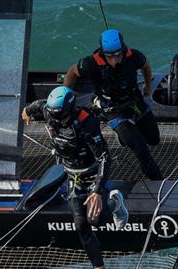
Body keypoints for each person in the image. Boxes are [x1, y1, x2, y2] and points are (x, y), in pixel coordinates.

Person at [23, 86, 129, 269]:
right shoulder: (48, 112)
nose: (56, 120)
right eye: (53, 115)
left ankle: (113, 204)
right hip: (72, 175)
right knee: (81, 225)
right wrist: (26, 112)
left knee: (96, 220)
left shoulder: (85, 123)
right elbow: (36, 106)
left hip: (91, 174)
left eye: (60, 116)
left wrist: (98, 191)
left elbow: (105, 157)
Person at [63, 29, 163, 180]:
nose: (114, 60)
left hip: (134, 101)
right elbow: (72, 72)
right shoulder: (91, 63)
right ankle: (159, 184)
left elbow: (146, 66)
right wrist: (67, 96)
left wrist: (148, 85)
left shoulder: (134, 56)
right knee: (141, 150)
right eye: (109, 57)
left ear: (123, 49)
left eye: (117, 55)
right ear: (103, 53)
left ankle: (123, 137)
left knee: (154, 139)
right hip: (113, 109)